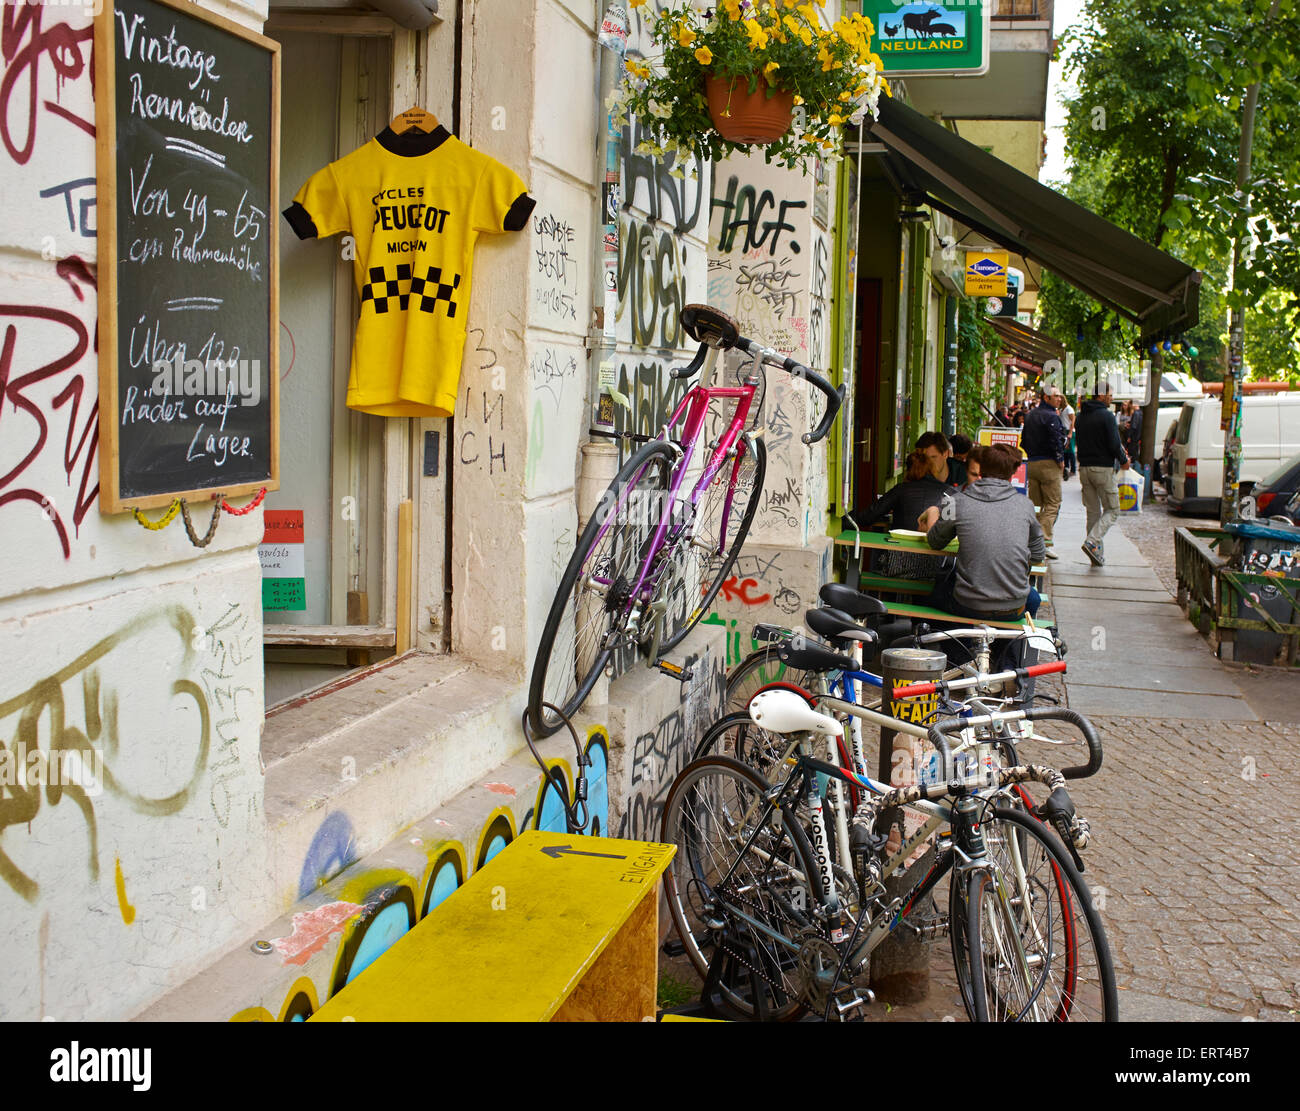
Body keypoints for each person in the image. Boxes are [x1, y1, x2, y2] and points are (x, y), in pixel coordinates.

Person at [919, 443, 1044, 620]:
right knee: (1033, 599)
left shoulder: (954, 501)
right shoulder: (1026, 505)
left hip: (968, 605)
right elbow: (1038, 555)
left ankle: (953, 645)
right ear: (1011, 475)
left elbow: (935, 542)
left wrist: (933, 513)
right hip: (1013, 608)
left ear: (981, 470)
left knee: (929, 595)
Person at [1075, 380, 1130, 566]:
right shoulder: (1106, 416)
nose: (1112, 398)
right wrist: (1124, 460)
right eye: (1110, 395)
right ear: (1101, 395)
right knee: (1113, 509)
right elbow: (1114, 444)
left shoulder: (1080, 416)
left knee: (1092, 512)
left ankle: (1096, 553)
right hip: (1103, 469)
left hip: (1084, 469)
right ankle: (1092, 542)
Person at [844, 449, 952, 534]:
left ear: (908, 471)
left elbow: (869, 516)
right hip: (938, 555)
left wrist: (843, 521)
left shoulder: (902, 489)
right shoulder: (948, 492)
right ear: (932, 469)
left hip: (901, 554)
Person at [1021, 386, 1066, 559]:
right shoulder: (1052, 416)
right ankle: (1044, 542)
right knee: (1053, 503)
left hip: (1032, 463)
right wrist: (1060, 459)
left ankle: (1032, 542)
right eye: (1056, 396)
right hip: (1048, 464)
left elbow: (1023, 441)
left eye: (1060, 396)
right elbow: (1056, 440)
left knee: (1036, 505)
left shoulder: (1030, 415)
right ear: (1046, 397)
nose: (1059, 399)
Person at [1057, 393, 1077, 479]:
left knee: (1071, 451)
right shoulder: (1061, 409)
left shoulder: (1069, 409)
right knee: (1065, 450)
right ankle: (1066, 468)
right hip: (1064, 431)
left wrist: (1070, 433)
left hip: (1069, 430)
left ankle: (1073, 470)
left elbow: (1073, 420)